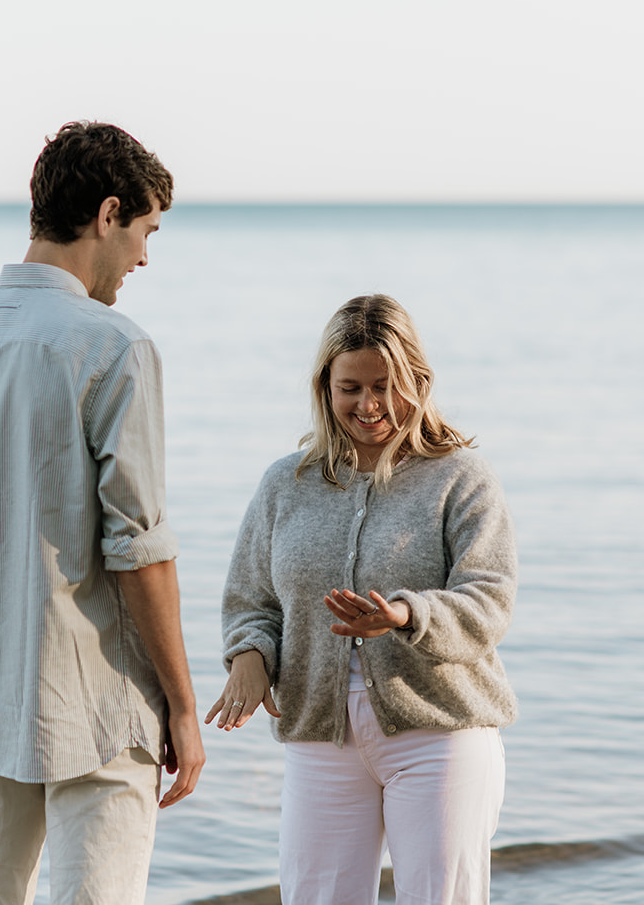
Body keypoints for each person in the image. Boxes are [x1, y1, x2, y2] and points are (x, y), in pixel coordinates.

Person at [0, 121, 204, 905]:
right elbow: (138, 549)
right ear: (107, 214)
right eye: (145, 232)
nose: (143, 258)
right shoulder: (114, 346)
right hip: (96, 700)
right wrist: (181, 703)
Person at [208, 294, 517, 905]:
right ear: (325, 387)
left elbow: (489, 599)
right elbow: (252, 598)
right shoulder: (285, 483)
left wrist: (406, 615)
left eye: (385, 386)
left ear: (417, 383)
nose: (368, 405)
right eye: (350, 387)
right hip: (319, 737)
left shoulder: (460, 477)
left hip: (439, 732)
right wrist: (249, 654)